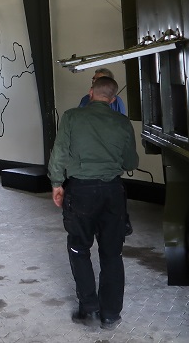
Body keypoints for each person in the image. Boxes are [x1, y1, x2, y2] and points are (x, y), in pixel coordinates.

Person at [48, 76, 138, 330]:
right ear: (113, 99)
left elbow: (58, 154)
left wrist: (57, 184)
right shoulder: (122, 122)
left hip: (80, 192)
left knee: (79, 248)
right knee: (112, 254)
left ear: (90, 93)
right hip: (112, 193)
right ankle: (110, 314)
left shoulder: (71, 117)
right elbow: (131, 163)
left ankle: (88, 308)